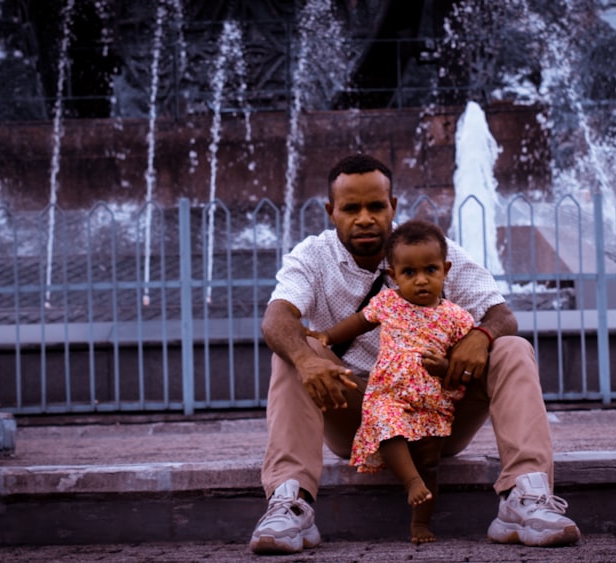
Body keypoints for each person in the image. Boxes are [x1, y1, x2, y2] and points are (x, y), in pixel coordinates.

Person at [249, 153, 580, 555]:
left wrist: (479, 336)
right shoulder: (312, 257)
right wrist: (306, 359)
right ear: (330, 211)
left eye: (376, 206)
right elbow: (276, 318)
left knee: (511, 347)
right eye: (351, 208)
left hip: (436, 411)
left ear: (393, 206)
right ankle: (290, 502)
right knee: (295, 351)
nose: (365, 218)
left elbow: (501, 314)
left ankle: (526, 496)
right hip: (357, 412)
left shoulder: (432, 252)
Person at [306, 219, 474, 544]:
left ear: (446, 269)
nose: (421, 280)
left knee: (430, 462)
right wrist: (326, 336)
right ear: (394, 276)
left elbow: (461, 362)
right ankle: (411, 482)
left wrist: (444, 366)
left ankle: (421, 523)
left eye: (430, 270)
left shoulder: (457, 318)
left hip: (431, 401)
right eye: (409, 273)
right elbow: (356, 323)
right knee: (386, 425)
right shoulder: (388, 303)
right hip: (389, 395)